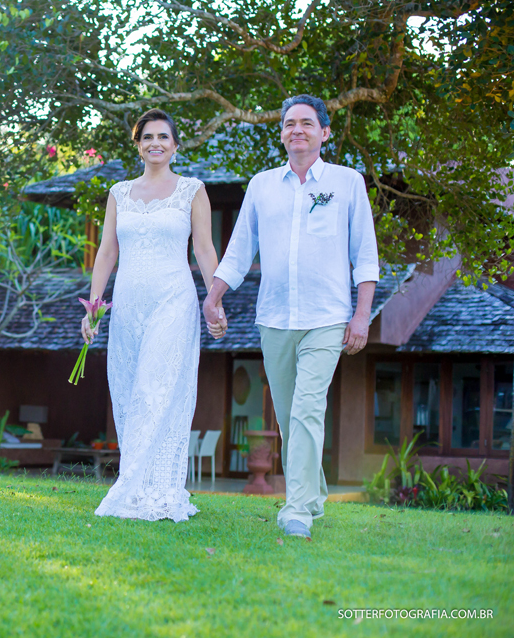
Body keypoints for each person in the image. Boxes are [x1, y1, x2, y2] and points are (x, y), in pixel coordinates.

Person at [202, 94, 379, 539]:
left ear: (325, 131)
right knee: (287, 416)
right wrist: (213, 296)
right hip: (274, 318)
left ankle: (297, 509)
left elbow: (365, 254)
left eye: (305, 123)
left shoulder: (347, 182)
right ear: (281, 133)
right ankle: (314, 492)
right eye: (288, 124)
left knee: (305, 410)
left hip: (327, 316)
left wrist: (361, 315)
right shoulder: (262, 185)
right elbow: (240, 248)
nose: (296, 130)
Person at [82, 108, 221, 522]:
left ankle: (145, 489)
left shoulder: (192, 190)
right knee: (127, 392)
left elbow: (204, 250)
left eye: (163, 136)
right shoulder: (119, 193)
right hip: (126, 307)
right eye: (147, 137)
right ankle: (142, 485)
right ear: (138, 144)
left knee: (154, 390)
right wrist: (94, 306)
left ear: (175, 145)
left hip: (173, 302)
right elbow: (107, 252)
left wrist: (213, 300)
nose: (155, 143)